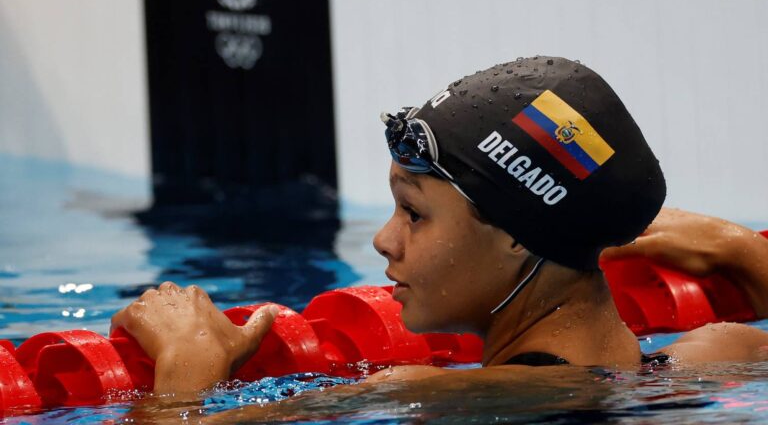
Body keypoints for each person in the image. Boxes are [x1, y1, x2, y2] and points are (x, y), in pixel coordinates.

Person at [111, 57, 768, 403]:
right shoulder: (720, 353)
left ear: (517, 233)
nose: (383, 241)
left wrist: (184, 374)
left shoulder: (436, 399)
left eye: (414, 213)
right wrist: (739, 250)